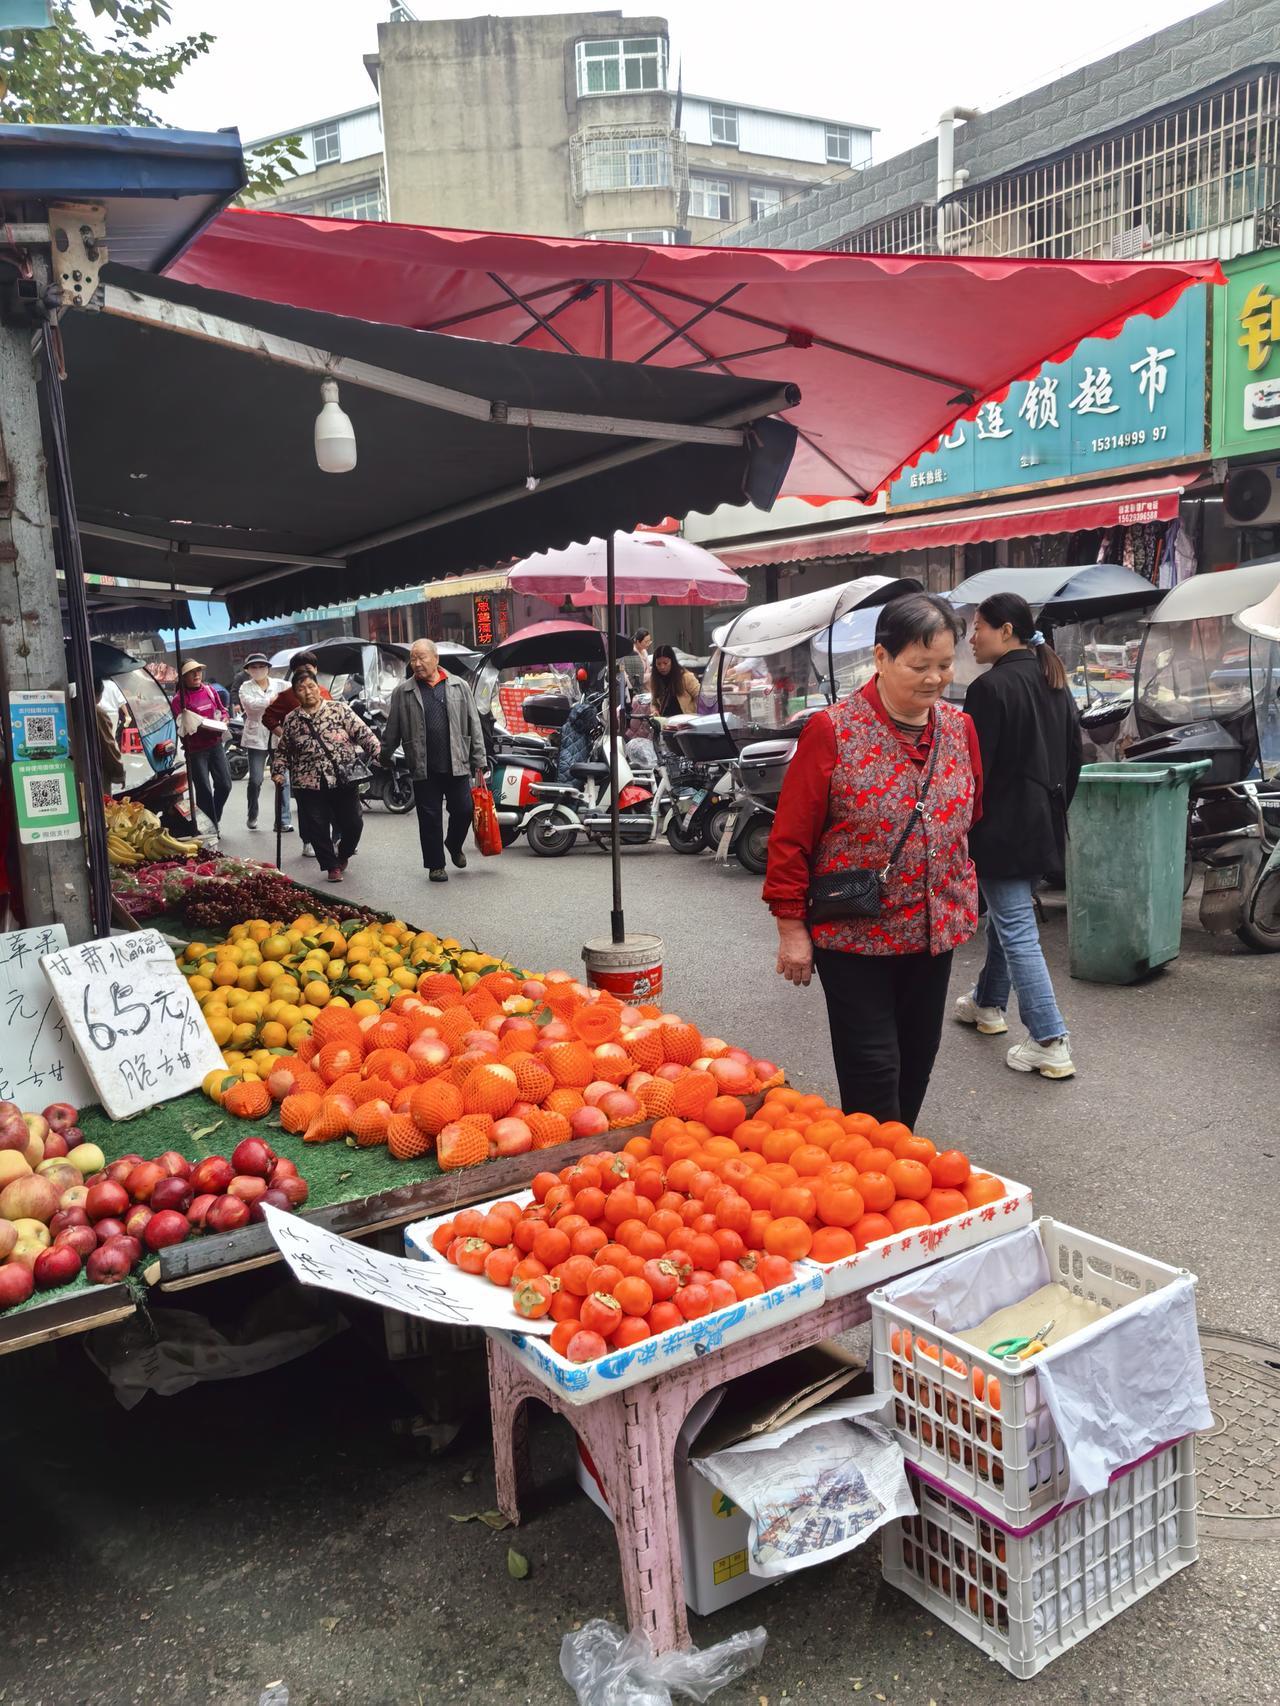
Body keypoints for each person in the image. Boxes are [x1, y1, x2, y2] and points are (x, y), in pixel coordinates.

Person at [763, 593, 983, 1126]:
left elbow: (972, 814)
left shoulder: (960, 729)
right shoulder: (832, 731)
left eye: (945, 665)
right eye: (919, 665)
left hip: (933, 930)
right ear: (881, 658)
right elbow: (791, 837)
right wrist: (793, 928)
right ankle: (873, 1173)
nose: (936, 679)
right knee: (873, 1068)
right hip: (854, 933)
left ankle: (895, 1163)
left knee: (915, 1062)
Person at [958, 593, 1083, 1080]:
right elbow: (1075, 759)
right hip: (1044, 823)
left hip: (1002, 829)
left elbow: (974, 773)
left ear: (1006, 630)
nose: (972, 636)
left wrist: (961, 827)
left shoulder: (990, 689)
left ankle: (1050, 1038)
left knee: (1015, 928)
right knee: (1009, 922)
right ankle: (987, 1004)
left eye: (979, 627)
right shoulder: (1054, 680)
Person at [382, 638, 487, 883]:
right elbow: (392, 728)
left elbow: (474, 724)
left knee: (463, 810)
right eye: (413, 659)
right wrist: (385, 755)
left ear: (436, 658)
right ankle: (435, 865)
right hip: (423, 765)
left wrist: (478, 758)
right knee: (429, 818)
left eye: (422, 657)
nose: (417, 663)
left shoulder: (458, 686)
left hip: (456, 760)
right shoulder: (403, 692)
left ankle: (453, 843)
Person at [270, 669, 379, 882]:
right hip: (307, 782)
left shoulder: (339, 710)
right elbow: (283, 750)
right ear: (295, 694)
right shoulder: (292, 720)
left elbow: (363, 733)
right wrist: (278, 772)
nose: (308, 692)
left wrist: (377, 752)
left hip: (342, 778)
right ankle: (331, 866)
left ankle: (344, 853)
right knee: (317, 826)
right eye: (301, 689)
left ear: (319, 689)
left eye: (311, 687)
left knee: (353, 823)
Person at [264, 652, 331, 857]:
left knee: (329, 799)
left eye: (309, 668)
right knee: (305, 801)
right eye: (300, 669)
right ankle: (308, 840)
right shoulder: (286, 696)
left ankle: (333, 838)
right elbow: (268, 718)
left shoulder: (324, 692)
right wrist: (285, 736)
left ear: (316, 670)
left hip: (326, 760)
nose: (305, 673)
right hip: (300, 761)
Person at [171, 658, 231, 838]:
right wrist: (194, 726)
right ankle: (211, 829)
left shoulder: (210, 690)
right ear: (183, 676)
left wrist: (225, 718)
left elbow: (223, 709)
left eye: (198, 671)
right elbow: (181, 727)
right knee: (204, 790)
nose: (196, 675)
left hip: (215, 744)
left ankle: (213, 819)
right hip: (196, 751)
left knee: (225, 785)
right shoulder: (178, 700)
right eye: (191, 672)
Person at [237, 653, 294, 834]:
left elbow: (292, 700)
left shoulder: (283, 685)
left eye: (262, 666)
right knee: (256, 780)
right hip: (256, 738)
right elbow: (252, 706)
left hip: (278, 735)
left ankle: (283, 821)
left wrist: (277, 702)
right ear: (248, 670)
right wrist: (274, 701)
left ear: (268, 668)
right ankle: (252, 813)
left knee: (282, 779)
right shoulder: (245, 688)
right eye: (254, 667)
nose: (258, 670)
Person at [648, 644, 701, 717]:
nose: (662, 667)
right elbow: (654, 703)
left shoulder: (686, 677)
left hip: (685, 720)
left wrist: (695, 715)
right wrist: (655, 711)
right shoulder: (655, 679)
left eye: (665, 663)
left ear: (672, 662)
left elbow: (700, 696)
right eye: (658, 664)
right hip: (666, 721)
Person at [94, 676, 125, 789]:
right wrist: (119, 772)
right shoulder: (97, 713)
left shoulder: (70, 706)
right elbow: (108, 744)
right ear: (99, 693)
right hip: (95, 771)